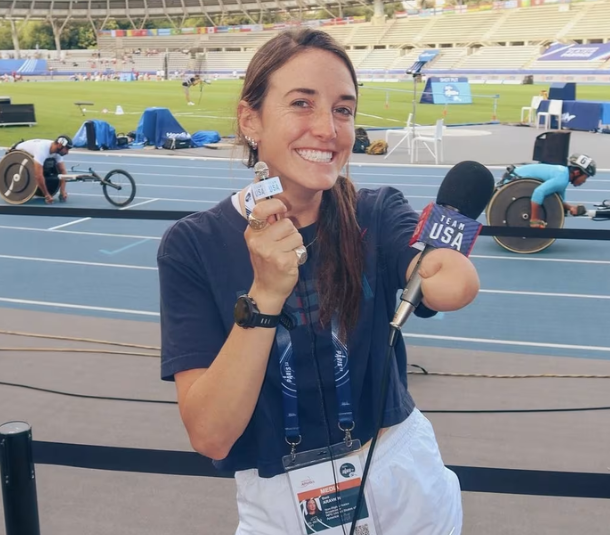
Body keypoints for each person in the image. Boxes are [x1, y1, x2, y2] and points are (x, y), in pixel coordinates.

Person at [157, 28, 480, 535]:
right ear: (250, 119)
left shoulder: (376, 210)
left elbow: (439, 275)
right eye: (302, 103)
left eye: (344, 109)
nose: (328, 128)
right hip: (280, 496)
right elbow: (211, 435)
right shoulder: (193, 244)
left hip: (400, 471)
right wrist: (264, 294)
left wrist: (445, 271)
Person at [503, 154, 597, 228]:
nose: (584, 181)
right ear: (577, 173)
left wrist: (570, 208)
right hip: (512, 181)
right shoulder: (561, 180)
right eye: (586, 177)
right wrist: (534, 219)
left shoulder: (563, 175)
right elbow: (538, 192)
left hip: (513, 176)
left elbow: (559, 200)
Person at [11, 135, 73, 204]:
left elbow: (63, 172)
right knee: (39, 172)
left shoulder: (57, 152)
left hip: (33, 152)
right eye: (66, 149)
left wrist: (62, 190)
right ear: (59, 145)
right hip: (18, 152)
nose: (67, 152)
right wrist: (46, 195)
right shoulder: (42, 150)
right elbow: (38, 175)